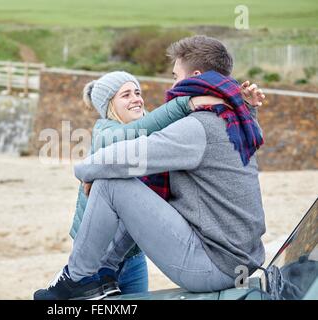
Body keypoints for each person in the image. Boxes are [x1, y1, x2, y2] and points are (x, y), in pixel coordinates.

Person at [35, 35, 266, 300]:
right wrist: (246, 105)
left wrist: (87, 172)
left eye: (175, 75)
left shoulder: (199, 127)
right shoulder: (236, 117)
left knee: (110, 182)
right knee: (120, 176)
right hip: (241, 260)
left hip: (213, 266)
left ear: (196, 76)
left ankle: (77, 278)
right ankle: (103, 270)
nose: (174, 83)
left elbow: (126, 156)